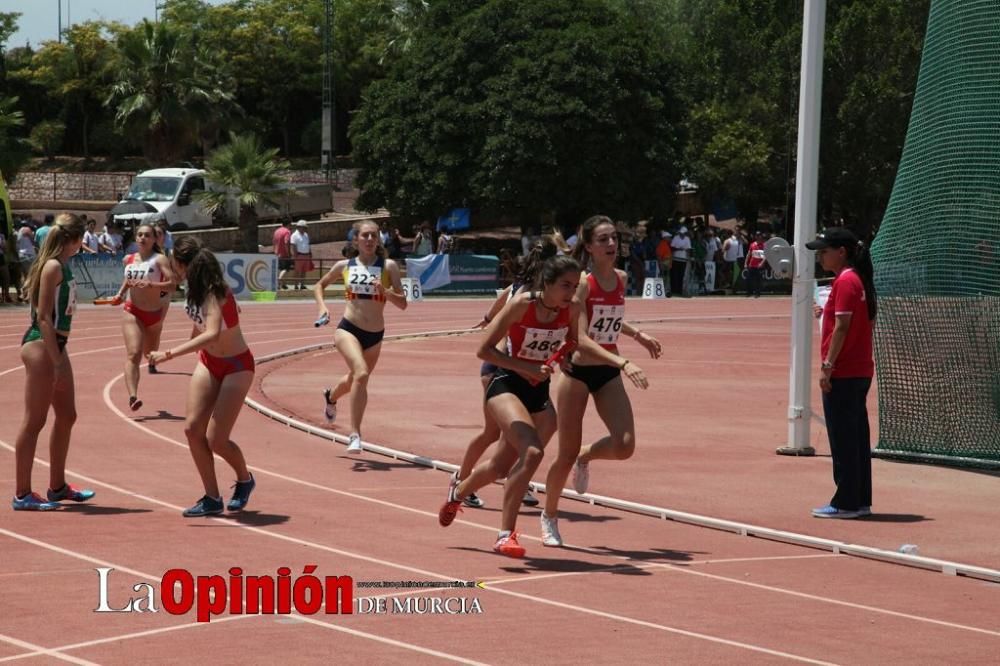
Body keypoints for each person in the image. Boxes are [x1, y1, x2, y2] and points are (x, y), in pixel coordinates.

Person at [440, 255, 604, 558]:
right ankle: (505, 535)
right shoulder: (522, 304)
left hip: (537, 389)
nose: (572, 292)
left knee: (501, 465)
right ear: (548, 284)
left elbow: (571, 341)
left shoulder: (572, 309)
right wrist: (524, 366)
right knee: (532, 451)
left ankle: (459, 491)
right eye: (566, 286)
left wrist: (564, 355)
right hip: (504, 383)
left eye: (576, 285)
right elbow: (483, 350)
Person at [541, 215, 661, 546]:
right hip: (578, 372)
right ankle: (549, 516)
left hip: (606, 371)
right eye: (604, 240)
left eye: (614, 239)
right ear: (590, 247)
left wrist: (637, 334)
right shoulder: (582, 283)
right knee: (562, 456)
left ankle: (586, 455)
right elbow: (579, 336)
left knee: (624, 445)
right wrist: (623, 361)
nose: (612, 245)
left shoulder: (621, 279)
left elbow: (610, 319)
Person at [146, 237, 257, 517]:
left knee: (217, 440)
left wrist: (168, 354)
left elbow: (212, 333)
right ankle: (211, 497)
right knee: (192, 429)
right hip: (209, 362)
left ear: (183, 266)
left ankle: (245, 479)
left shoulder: (213, 292)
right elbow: (200, 328)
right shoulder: (193, 291)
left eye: (174, 265)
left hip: (236, 365)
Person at [457, 239, 559, 510]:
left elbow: (503, 294)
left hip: (521, 371)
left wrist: (489, 317)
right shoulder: (529, 292)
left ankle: (516, 476)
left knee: (515, 431)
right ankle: (461, 479)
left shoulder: (533, 288)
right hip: (501, 367)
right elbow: (510, 300)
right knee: (496, 433)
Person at [12, 213, 96, 510]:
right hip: (41, 345)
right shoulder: (51, 266)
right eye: (82, 239)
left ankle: (57, 486)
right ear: (74, 240)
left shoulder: (61, 265)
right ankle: (22, 493)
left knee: (67, 415)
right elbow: (44, 317)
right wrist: (57, 361)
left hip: (57, 346)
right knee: (34, 420)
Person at [315, 220, 408, 453]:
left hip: (375, 335)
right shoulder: (344, 265)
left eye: (373, 236)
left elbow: (403, 303)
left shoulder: (389, 267)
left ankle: (331, 396)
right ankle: (355, 434)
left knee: (356, 379)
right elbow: (319, 285)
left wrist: (384, 291)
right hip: (348, 329)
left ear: (379, 240)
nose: (369, 240)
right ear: (355, 239)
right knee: (362, 373)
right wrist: (322, 308)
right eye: (364, 236)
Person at [806, 227, 877, 519]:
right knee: (856, 436)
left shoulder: (845, 281)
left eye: (824, 251)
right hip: (859, 368)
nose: (820, 256)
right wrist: (826, 312)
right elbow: (854, 321)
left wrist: (827, 366)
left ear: (841, 252)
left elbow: (843, 327)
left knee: (843, 437)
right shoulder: (856, 281)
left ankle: (846, 501)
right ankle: (859, 498)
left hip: (845, 371)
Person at [109, 223, 173, 411]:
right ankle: (133, 396)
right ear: (135, 238)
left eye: (147, 235)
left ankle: (151, 361)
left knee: (149, 354)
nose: (143, 238)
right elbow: (128, 280)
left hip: (154, 314)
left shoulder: (159, 259)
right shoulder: (128, 259)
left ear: (154, 239)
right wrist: (120, 294)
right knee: (133, 354)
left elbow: (172, 285)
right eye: (140, 235)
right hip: (133, 310)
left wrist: (151, 285)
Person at [290, 220, 313, 290]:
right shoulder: (294, 235)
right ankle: (296, 285)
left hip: (306, 255)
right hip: (299, 255)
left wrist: (310, 253)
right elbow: (293, 245)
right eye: (304, 227)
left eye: (305, 228)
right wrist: (295, 255)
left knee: (304, 271)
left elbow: (308, 244)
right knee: (297, 271)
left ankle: (302, 284)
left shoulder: (306, 235)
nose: (305, 229)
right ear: (299, 227)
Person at [745, 231, 767, 297]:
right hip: (751, 265)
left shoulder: (764, 245)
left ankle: (757, 293)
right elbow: (748, 254)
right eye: (757, 235)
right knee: (748, 279)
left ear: (761, 236)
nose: (758, 237)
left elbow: (766, 255)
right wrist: (746, 263)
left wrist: (762, 263)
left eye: (759, 235)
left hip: (759, 266)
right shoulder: (752, 244)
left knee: (758, 280)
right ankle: (749, 293)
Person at [273, 219, 293, 289]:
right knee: (285, 269)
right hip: (284, 254)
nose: (291, 226)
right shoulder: (287, 232)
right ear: (288, 224)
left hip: (276, 253)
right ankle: (279, 282)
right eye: (290, 225)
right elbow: (286, 242)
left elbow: (274, 242)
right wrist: (288, 253)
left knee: (280, 269)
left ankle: (283, 285)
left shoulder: (277, 231)